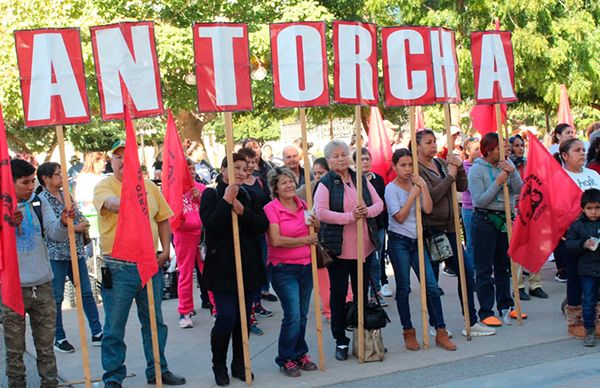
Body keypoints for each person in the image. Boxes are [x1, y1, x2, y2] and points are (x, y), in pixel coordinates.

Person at [94, 140, 186, 387]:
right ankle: (113, 376)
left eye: (129, 156)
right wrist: (132, 197)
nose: (123, 161)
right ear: (110, 162)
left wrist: (166, 250)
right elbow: (112, 205)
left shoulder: (150, 187)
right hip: (119, 267)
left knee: (155, 323)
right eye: (118, 157)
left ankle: (158, 370)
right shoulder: (104, 186)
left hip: (150, 264)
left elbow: (164, 218)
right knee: (114, 326)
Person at [2, 159, 74, 388]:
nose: (31, 186)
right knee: (15, 351)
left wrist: (63, 223)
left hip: (42, 284)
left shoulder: (38, 202)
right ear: (9, 183)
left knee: (46, 349)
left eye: (33, 181)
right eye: (25, 182)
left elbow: (54, 234)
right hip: (12, 288)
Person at [416, 130, 494, 336]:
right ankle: (436, 324)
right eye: (428, 142)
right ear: (416, 147)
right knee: (432, 280)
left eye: (434, 141)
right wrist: (450, 176)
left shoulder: (442, 164)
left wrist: (458, 168)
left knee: (467, 273)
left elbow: (462, 185)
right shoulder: (417, 170)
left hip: (451, 227)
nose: (433, 146)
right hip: (431, 230)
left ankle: (471, 319)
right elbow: (431, 197)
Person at [201, 153, 269, 386]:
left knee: (243, 319)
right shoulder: (211, 194)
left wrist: (243, 211)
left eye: (244, 168)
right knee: (226, 318)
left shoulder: (250, 194)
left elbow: (262, 225)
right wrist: (226, 201)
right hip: (222, 269)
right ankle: (218, 364)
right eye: (235, 167)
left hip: (248, 266)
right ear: (222, 170)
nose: (241, 172)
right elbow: (212, 225)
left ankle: (240, 363)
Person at [314, 140, 384, 361]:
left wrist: (367, 211)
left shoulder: (359, 178)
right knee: (338, 294)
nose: (341, 158)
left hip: (364, 246)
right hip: (339, 248)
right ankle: (340, 339)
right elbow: (321, 212)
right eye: (335, 156)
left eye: (344, 154)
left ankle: (362, 335)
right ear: (328, 160)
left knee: (362, 293)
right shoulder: (325, 183)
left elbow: (379, 204)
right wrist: (349, 217)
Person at [385, 149, 457, 351]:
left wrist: (423, 187)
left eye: (410, 165)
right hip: (399, 242)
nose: (407, 169)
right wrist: (412, 196)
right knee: (404, 288)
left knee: (432, 286)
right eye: (403, 165)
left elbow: (427, 208)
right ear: (394, 167)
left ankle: (440, 331)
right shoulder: (391, 189)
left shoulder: (417, 183)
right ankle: (408, 331)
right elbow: (399, 217)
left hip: (418, 241)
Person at [36, 162, 103, 353]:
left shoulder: (66, 194)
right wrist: (74, 227)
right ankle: (59, 336)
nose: (61, 177)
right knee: (56, 297)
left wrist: (82, 222)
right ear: (46, 178)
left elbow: (78, 214)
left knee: (87, 293)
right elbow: (50, 229)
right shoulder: (42, 200)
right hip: (56, 254)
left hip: (76, 252)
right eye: (57, 175)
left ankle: (97, 331)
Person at [264, 167, 320, 377]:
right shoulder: (271, 209)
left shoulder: (303, 205)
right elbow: (276, 240)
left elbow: (314, 231)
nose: (289, 186)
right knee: (293, 314)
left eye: (290, 181)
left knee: (303, 314)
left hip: (306, 266)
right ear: (275, 188)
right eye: (283, 183)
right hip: (283, 268)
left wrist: (317, 224)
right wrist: (304, 240)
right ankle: (285, 357)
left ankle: (299, 353)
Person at [469, 133, 523, 327]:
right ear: (489, 149)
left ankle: (506, 305)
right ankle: (485, 311)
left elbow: (520, 189)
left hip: (504, 220)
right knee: (484, 268)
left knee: (503, 266)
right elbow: (480, 200)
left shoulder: (508, 164)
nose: (505, 151)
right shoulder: (477, 170)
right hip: (484, 220)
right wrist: (498, 181)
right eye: (501, 147)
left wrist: (513, 172)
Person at [555, 138, 600, 338]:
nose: (582, 153)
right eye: (577, 150)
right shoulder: (558, 177)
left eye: (584, 150)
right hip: (572, 236)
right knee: (575, 278)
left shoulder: (593, 174)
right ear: (564, 155)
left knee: (596, 278)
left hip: (596, 234)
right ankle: (574, 321)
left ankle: (595, 320)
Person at [237, 147, 276, 332]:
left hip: (262, 231)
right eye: (246, 163)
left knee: (262, 267)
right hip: (246, 236)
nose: (250, 166)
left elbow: (268, 202)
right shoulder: (236, 185)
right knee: (249, 273)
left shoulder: (259, 181)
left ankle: (257, 302)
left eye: (253, 162)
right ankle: (249, 313)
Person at [508, 135, 548, 300]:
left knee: (535, 246)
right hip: (516, 210)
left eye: (522, 145)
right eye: (516, 146)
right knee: (518, 247)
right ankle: (519, 286)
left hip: (532, 209)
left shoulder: (528, 164)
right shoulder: (507, 166)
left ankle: (535, 284)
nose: (520, 148)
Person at [353, 148, 389, 306]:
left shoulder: (378, 180)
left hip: (378, 226)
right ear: (355, 163)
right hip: (360, 227)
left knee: (377, 260)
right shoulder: (352, 181)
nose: (365, 162)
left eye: (367, 159)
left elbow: (382, 203)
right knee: (363, 261)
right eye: (361, 159)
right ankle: (363, 293)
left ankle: (376, 292)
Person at [174, 159, 206, 328]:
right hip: (183, 236)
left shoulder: (201, 189)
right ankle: (185, 311)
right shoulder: (174, 191)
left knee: (208, 272)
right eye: (188, 169)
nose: (192, 172)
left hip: (202, 236)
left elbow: (210, 209)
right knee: (185, 273)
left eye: (193, 169)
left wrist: (199, 198)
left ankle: (215, 308)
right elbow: (171, 213)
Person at [565, 188, 600, 346]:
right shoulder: (577, 226)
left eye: (597, 208)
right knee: (589, 301)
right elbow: (569, 244)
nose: (594, 212)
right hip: (587, 271)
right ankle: (589, 330)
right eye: (589, 208)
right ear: (583, 209)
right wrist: (583, 244)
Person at [461, 137, 480, 268]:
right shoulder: (464, 167)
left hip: (481, 207)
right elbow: (469, 186)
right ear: (467, 151)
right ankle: (471, 273)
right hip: (469, 208)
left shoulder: (481, 165)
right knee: (472, 243)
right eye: (476, 149)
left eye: (480, 149)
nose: (479, 152)